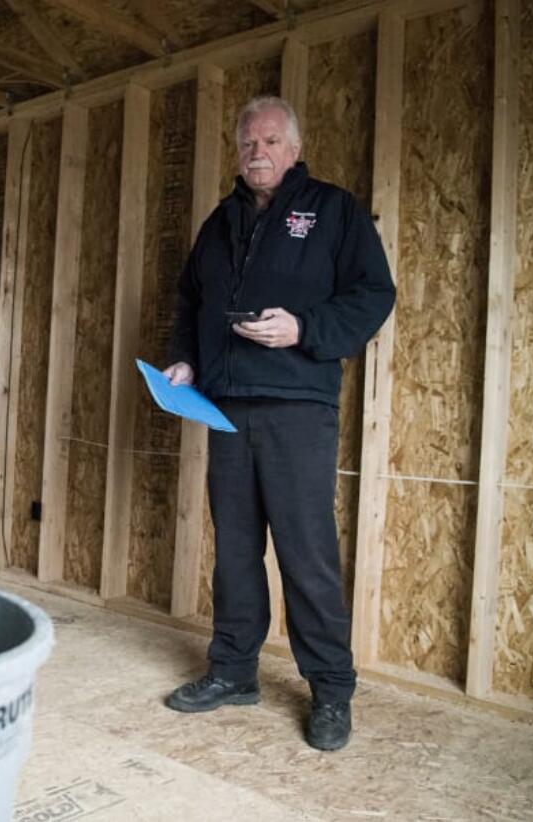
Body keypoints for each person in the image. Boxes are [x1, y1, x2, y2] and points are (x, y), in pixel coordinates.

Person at [162, 96, 395, 751]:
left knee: (306, 556)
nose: (256, 152)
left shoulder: (332, 211)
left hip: (297, 409)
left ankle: (331, 692)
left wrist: (304, 328)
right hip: (224, 408)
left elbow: (375, 293)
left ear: (293, 150)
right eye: (247, 143)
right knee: (235, 554)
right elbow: (188, 300)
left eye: (269, 142)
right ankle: (233, 672)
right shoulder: (219, 221)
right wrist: (184, 360)